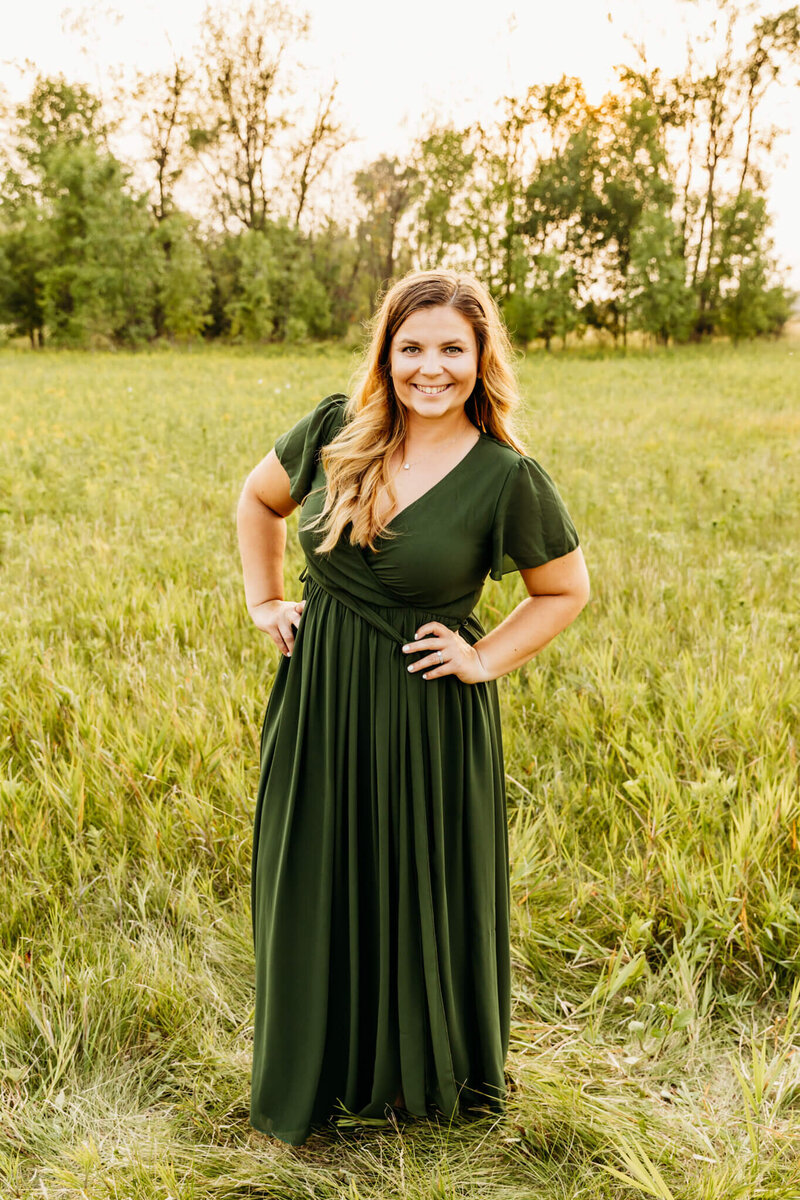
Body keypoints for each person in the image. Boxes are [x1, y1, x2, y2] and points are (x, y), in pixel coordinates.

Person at [236, 268, 590, 1147]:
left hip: (424, 715)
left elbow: (564, 590)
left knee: (419, 886)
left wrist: (480, 659)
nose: (431, 368)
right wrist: (265, 599)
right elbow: (257, 500)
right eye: (412, 348)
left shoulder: (506, 475)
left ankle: (421, 1080)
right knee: (313, 876)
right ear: (386, 354)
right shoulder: (334, 430)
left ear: (481, 359)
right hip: (319, 703)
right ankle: (318, 1074)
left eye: (452, 350)